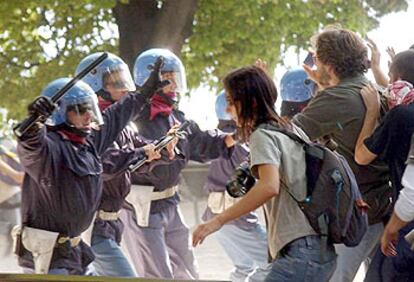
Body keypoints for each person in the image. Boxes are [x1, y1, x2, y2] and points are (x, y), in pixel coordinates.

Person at [15, 57, 166, 275]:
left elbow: (118, 114)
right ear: (60, 113)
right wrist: (34, 123)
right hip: (49, 260)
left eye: (89, 109)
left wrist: (146, 91)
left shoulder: (89, 142)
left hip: (76, 252)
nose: (88, 117)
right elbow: (30, 145)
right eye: (79, 111)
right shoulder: (48, 150)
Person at [193, 65, 337, 282]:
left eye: (232, 102)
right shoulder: (289, 128)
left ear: (250, 103)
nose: (227, 110)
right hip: (319, 248)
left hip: (298, 252)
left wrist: (218, 220)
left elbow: (269, 186)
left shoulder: (263, 136)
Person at [120, 48, 236, 279]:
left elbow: (203, 143)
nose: (174, 85)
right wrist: (158, 151)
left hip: (170, 203)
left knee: (188, 270)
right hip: (142, 208)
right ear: (150, 80)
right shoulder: (131, 118)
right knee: (157, 274)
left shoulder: (175, 116)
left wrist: (236, 134)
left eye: (176, 78)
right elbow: (129, 158)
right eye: (168, 79)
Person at [292, 26, 392, 282]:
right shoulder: (373, 89)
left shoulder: (336, 97)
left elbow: (289, 135)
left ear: (327, 63)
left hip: (355, 215)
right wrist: (324, 83)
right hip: (381, 207)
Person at [76, 52, 171, 277]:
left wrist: (162, 150)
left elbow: (137, 154)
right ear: (96, 85)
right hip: (94, 224)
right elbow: (107, 165)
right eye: (118, 83)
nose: (126, 88)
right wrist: (141, 153)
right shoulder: (91, 125)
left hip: (111, 222)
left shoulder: (125, 125)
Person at [354, 50, 414, 281]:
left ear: (397, 77)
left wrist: (371, 112)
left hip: (405, 222)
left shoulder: (400, 115)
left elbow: (361, 156)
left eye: (390, 77)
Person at [201, 91, 270, 282]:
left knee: (243, 267)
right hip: (236, 220)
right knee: (273, 264)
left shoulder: (217, 140)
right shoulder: (241, 146)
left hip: (215, 216)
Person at [0, 108, 24, 272]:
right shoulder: (9, 144)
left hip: (11, 198)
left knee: (14, 238)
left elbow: (19, 177)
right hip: (9, 198)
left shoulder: (9, 146)